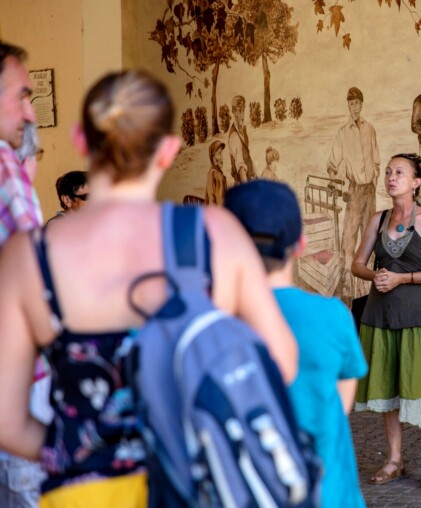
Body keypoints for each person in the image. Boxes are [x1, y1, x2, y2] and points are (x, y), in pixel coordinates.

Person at [0, 70, 298, 507]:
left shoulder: (29, 255)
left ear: (81, 140)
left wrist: (77, 448)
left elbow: (6, 419)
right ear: (169, 151)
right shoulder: (211, 234)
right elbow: (281, 363)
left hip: (84, 493)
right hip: (197, 485)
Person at [225, 180, 368, 508]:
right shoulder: (333, 315)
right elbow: (341, 399)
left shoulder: (215, 326)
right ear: (300, 244)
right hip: (328, 494)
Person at [352, 153, 421, 489]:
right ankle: (394, 459)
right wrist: (377, 275)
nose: (390, 177)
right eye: (387, 172)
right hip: (380, 315)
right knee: (386, 386)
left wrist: (404, 278)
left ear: (416, 182)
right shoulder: (377, 219)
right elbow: (356, 264)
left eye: (399, 172)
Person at [0, 40, 48, 508]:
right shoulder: (4, 165)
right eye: (22, 95)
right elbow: (37, 280)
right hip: (17, 385)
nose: (30, 113)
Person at [327, 87, 380, 303]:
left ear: (362, 104)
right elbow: (332, 164)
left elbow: (376, 161)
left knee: (371, 238)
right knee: (349, 240)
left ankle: (369, 289)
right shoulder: (342, 133)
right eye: (351, 104)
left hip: (370, 191)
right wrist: (333, 180)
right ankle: (348, 288)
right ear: (348, 106)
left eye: (357, 103)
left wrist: (374, 181)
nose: (354, 107)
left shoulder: (370, 129)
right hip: (354, 191)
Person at [228, 94, 255, 183]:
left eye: (242, 110)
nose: (242, 115)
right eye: (239, 111)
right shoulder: (234, 136)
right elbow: (241, 168)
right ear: (234, 112)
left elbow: (247, 157)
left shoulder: (243, 130)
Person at [204, 140, 226, 205]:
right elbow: (220, 203)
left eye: (221, 153)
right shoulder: (218, 175)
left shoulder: (210, 172)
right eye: (219, 154)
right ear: (213, 157)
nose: (222, 158)